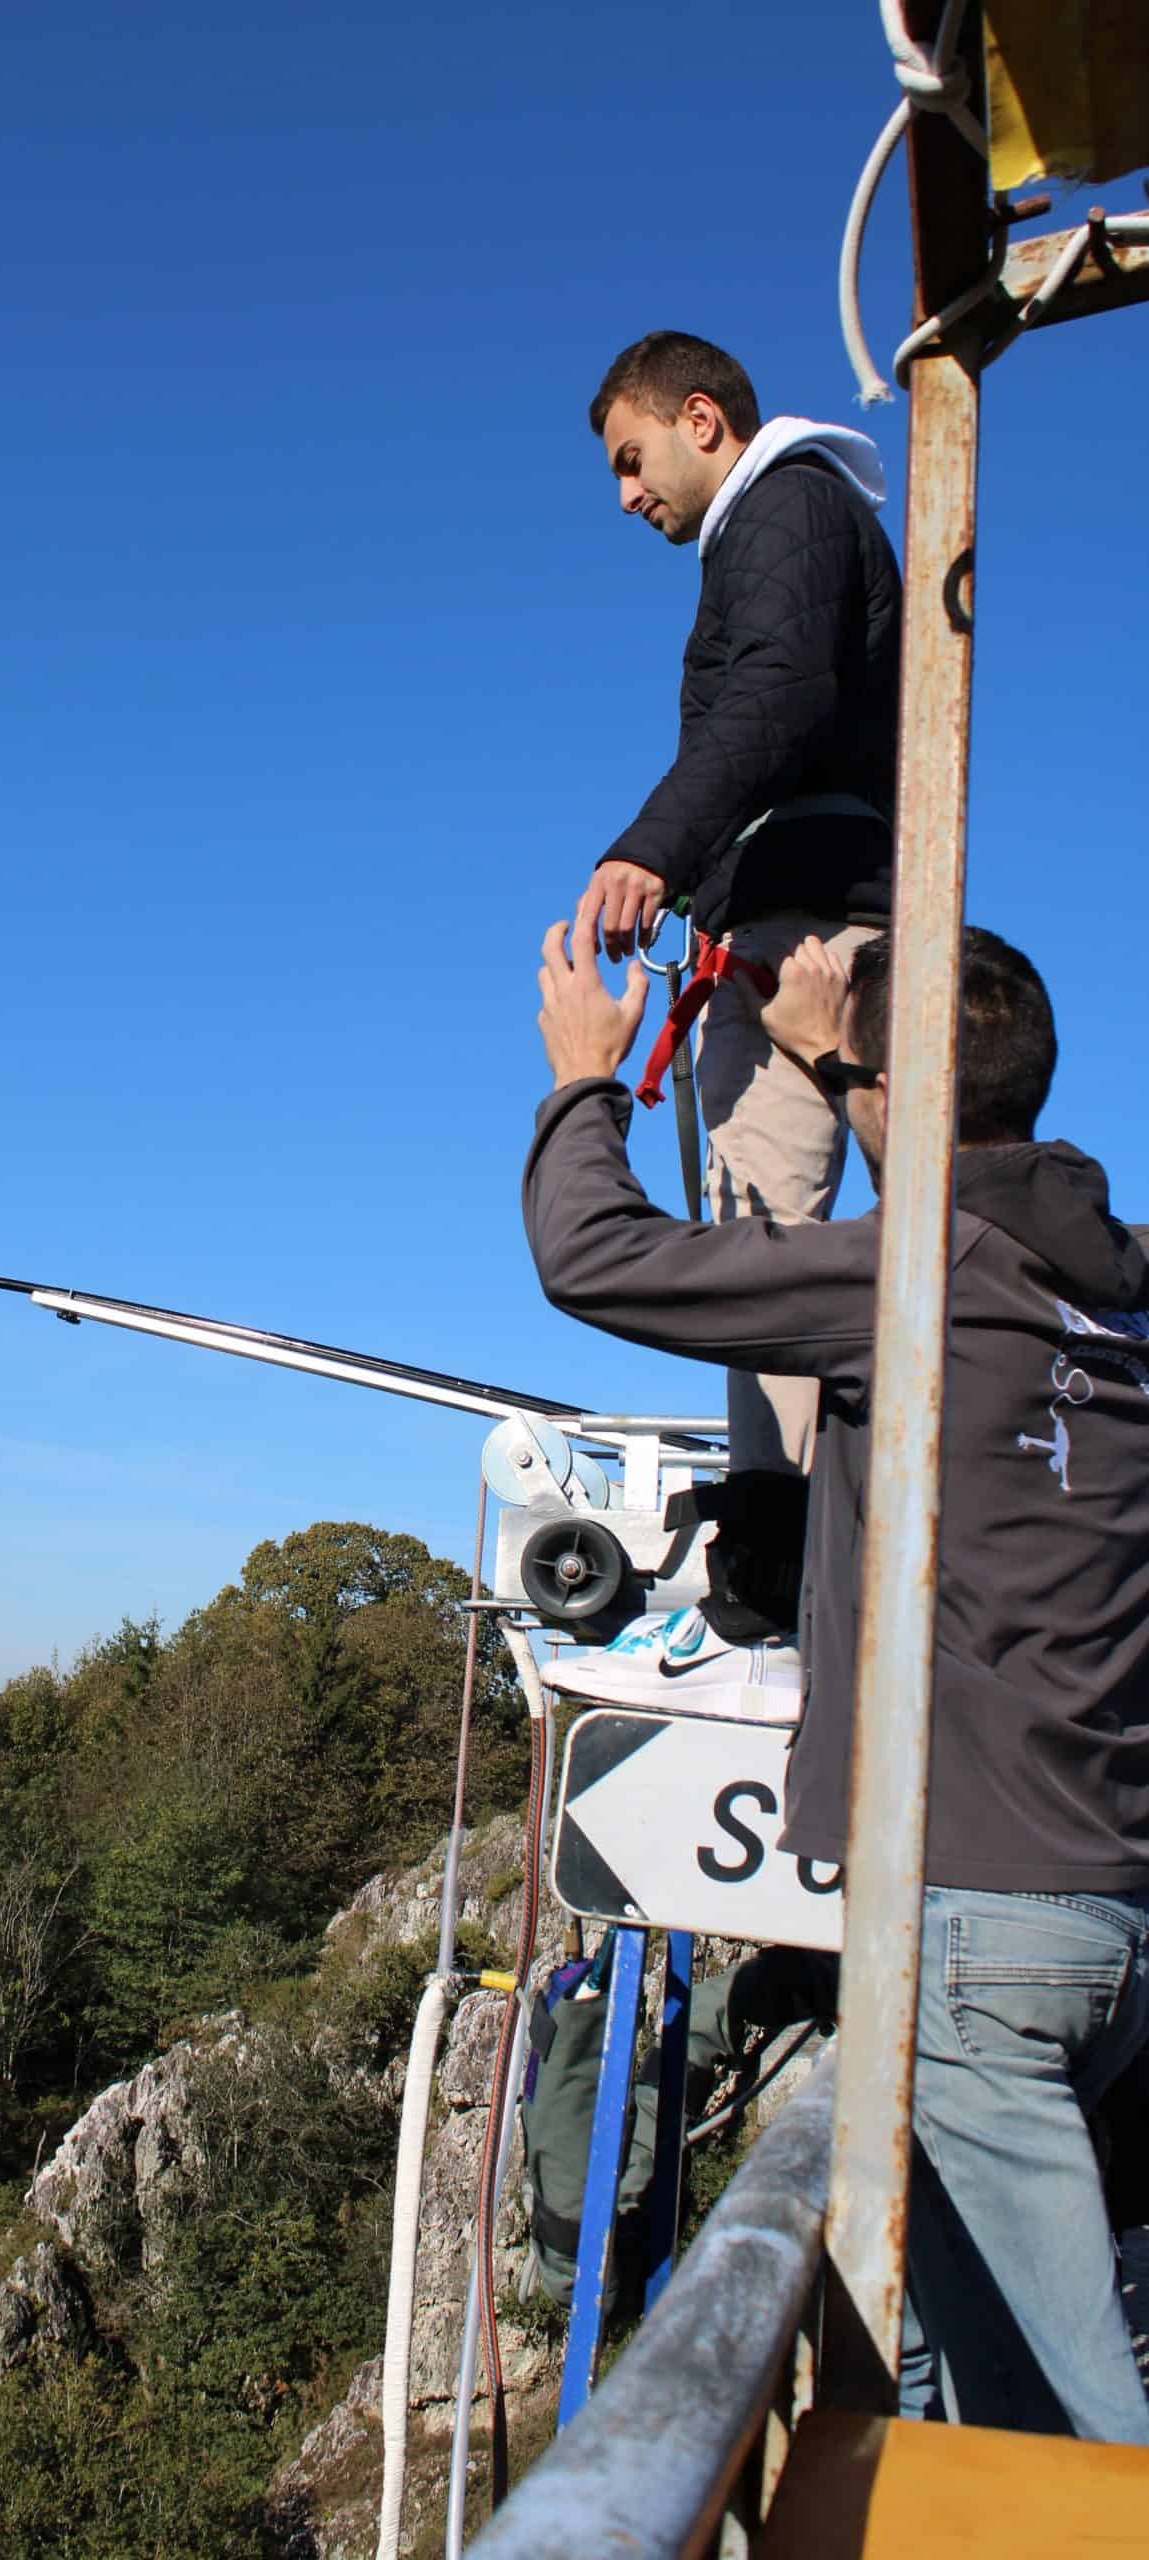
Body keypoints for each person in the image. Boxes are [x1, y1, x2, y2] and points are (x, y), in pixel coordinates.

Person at [523, 896, 1149, 2441]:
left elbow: (596, 1256)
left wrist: (586, 1079)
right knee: (944, 2362)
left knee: (1072, 2439)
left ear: (888, 1097)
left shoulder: (911, 1281)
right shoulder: (1117, 1287)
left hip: (970, 1914)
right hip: (1113, 1910)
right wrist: (845, 1054)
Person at [574, 331, 902, 1712]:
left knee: (762, 1252)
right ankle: (803, 1576)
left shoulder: (786, 507)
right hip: (815, 918)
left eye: (631, 459)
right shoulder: (793, 521)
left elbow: (778, 694)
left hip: (805, 938)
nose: (626, 495)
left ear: (700, 420)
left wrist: (652, 848)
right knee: (840, 1242)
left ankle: (772, 1595)